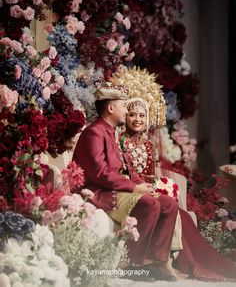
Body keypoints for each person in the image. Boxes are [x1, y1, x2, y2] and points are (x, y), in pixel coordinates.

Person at [72, 82, 183, 281]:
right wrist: (134, 188)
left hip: (114, 188)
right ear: (111, 107)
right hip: (98, 192)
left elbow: (126, 168)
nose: (127, 110)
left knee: (169, 204)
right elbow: (100, 173)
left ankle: (156, 261)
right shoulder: (93, 132)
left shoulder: (110, 133)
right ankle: (134, 263)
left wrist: (144, 184)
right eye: (124, 106)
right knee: (149, 204)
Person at [119, 97, 236, 281]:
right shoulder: (119, 141)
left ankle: (170, 261)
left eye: (142, 115)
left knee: (180, 213)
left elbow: (150, 173)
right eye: (132, 115)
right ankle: (161, 261)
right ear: (125, 117)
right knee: (174, 210)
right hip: (130, 191)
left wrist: (159, 186)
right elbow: (120, 172)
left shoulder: (148, 145)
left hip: (148, 190)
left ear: (147, 118)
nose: (137, 119)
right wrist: (140, 187)